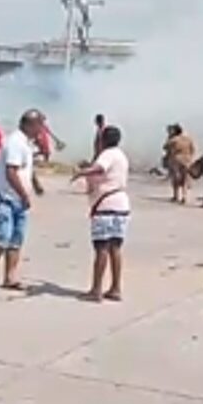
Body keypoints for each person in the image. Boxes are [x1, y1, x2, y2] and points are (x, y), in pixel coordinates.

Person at [0, 110, 46, 294]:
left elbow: (26, 169)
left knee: (16, 239)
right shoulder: (15, 142)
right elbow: (11, 172)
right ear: (30, 125)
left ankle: (10, 277)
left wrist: (36, 184)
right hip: (3, 196)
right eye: (40, 125)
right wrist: (24, 195)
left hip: (16, 199)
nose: (42, 130)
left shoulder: (25, 143)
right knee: (2, 237)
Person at [72, 125, 131, 303]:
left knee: (101, 248)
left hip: (106, 205)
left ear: (103, 140)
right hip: (121, 204)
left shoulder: (107, 154)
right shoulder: (121, 156)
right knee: (115, 248)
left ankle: (96, 290)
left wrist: (81, 172)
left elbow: (99, 168)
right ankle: (115, 288)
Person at [163, 123, 196, 204]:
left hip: (176, 160)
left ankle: (176, 196)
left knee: (176, 179)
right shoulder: (189, 139)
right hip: (187, 160)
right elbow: (193, 149)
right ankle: (184, 197)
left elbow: (165, 147)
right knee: (185, 179)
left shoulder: (174, 140)